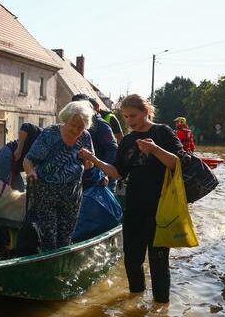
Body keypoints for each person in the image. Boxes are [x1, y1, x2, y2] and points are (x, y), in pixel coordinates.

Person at [79, 94, 182, 304]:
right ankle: (135, 303)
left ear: (145, 111)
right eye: (125, 117)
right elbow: (117, 173)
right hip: (134, 206)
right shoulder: (127, 140)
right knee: (132, 260)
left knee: (158, 261)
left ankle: (161, 306)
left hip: (160, 207)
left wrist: (154, 149)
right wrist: (94, 160)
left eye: (133, 115)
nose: (129, 121)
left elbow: (177, 163)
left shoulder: (162, 132)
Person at [23, 100, 95, 250]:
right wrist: (31, 172)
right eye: (72, 125)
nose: (76, 130)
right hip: (46, 192)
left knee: (66, 236)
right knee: (48, 236)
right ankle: (47, 266)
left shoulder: (86, 137)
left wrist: (87, 160)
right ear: (65, 120)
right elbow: (29, 160)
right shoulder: (50, 134)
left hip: (73, 193)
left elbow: (90, 165)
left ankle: (62, 267)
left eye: (80, 127)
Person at [71, 94, 118, 191]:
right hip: (84, 176)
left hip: (100, 179)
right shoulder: (74, 123)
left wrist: (104, 173)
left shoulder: (100, 125)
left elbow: (112, 149)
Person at [0, 122, 42, 191]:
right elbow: (25, 127)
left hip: (16, 167)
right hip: (7, 155)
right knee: (3, 189)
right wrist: (19, 149)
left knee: (20, 191)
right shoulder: (44, 133)